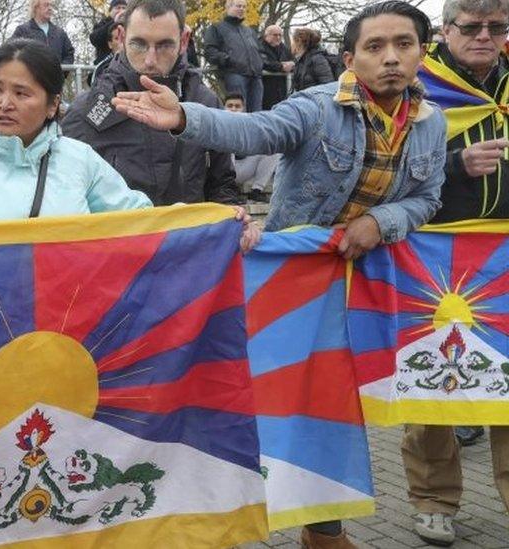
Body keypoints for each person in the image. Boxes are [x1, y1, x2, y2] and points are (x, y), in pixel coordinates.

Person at [113, 3, 442, 546]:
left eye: (403, 45)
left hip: (368, 290)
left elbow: (425, 198)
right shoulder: (317, 107)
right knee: (293, 402)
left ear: (421, 53)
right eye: (374, 47)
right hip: (294, 290)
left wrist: (382, 222)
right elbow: (255, 130)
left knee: (341, 409)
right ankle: (284, 523)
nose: (390, 59)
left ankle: (321, 525)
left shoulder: (432, 125)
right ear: (349, 58)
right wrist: (186, 118)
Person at [0, 39, 261, 258]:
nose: (4, 103)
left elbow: (139, 218)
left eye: (21, 92)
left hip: (73, 325)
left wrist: (211, 221)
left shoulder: (79, 160)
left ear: (53, 105)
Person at [403, 0, 509, 545]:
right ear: (446, 30)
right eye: (472, 27)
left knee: (508, 389)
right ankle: (433, 500)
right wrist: (455, 166)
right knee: (435, 385)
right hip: (433, 256)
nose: (486, 36)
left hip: (505, 259)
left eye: (498, 26)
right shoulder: (414, 87)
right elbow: (389, 168)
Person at [63, 0, 240, 207]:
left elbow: (223, 188)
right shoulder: (87, 111)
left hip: (186, 237)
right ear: (121, 37)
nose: (150, 60)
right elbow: (68, 198)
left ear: (184, 41)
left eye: (164, 45)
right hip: (122, 238)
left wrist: (234, 222)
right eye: (139, 44)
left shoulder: (206, 103)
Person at [203, 0, 264, 111]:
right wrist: (227, 59)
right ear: (228, 7)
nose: (242, 9)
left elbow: (259, 52)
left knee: (257, 113)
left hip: (255, 77)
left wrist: (260, 64)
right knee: (238, 113)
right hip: (234, 75)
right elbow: (209, 51)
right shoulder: (216, 28)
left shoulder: (249, 31)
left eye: (244, 7)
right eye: (238, 6)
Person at [223, 92, 279, 202]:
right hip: (224, 172)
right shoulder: (218, 124)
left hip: (244, 168)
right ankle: (229, 190)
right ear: (223, 108)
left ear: (243, 108)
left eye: (237, 106)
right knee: (223, 145)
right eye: (230, 106)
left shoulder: (250, 122)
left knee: (273, 147)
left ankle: (256, 190)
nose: (233, 109)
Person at [11, 0, 75, 65]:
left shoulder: (60, 33)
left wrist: (61, 71)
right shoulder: (23, 31)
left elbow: (69, 55)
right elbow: (10, 51)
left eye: (51, 5)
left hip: (55, 74)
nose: (50, 8)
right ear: (35, 7)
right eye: (46, 5)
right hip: (33, 74)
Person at [291, 27, 335, 92]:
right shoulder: (301, 59)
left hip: (315, 100)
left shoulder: (317, 59)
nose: (292, 44)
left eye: (293, 41)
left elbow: (328, 85)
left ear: (299, 41)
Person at [260, 24, 294, 109]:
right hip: (265, 87)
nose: (278, 37)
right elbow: (263, 62)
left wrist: (292, 65)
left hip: (282, 88)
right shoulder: (259, 46)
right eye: (275, 35)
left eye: (280, 35)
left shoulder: (284, 48)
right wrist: (281, 66)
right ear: (266, 35)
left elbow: (293, 60)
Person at [90, 0, 126, 65]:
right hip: (105, 64)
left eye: (124, 8)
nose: (121, 11)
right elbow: (94, 39)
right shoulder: (103, 23)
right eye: (118, 8)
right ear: (110, 11)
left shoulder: (130, 24)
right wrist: (114, 22)